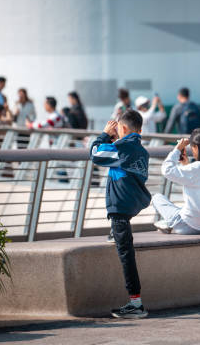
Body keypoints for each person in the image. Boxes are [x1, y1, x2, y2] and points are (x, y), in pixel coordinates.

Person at [90, 110, 151, 319]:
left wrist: (104, 135)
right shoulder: (142, 151)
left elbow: (95, 154)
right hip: (131, 205)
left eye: (116, 128)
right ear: (140, 130)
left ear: (122, 128)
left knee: (126, 254)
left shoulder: (121, 148)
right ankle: (113, 233)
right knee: (124, 248)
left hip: (119, 209)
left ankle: (136, 303)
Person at [152, 128, 200, 234]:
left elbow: (166, 170)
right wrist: (186, 165)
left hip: (189, 226)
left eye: (192, 147)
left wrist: (177, 149)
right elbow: (199, 180)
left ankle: (169, 224)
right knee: (186, 209)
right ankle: (169, 224)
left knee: (156, 198)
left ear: (196, 147)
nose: (192, 150)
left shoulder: (195, 169)